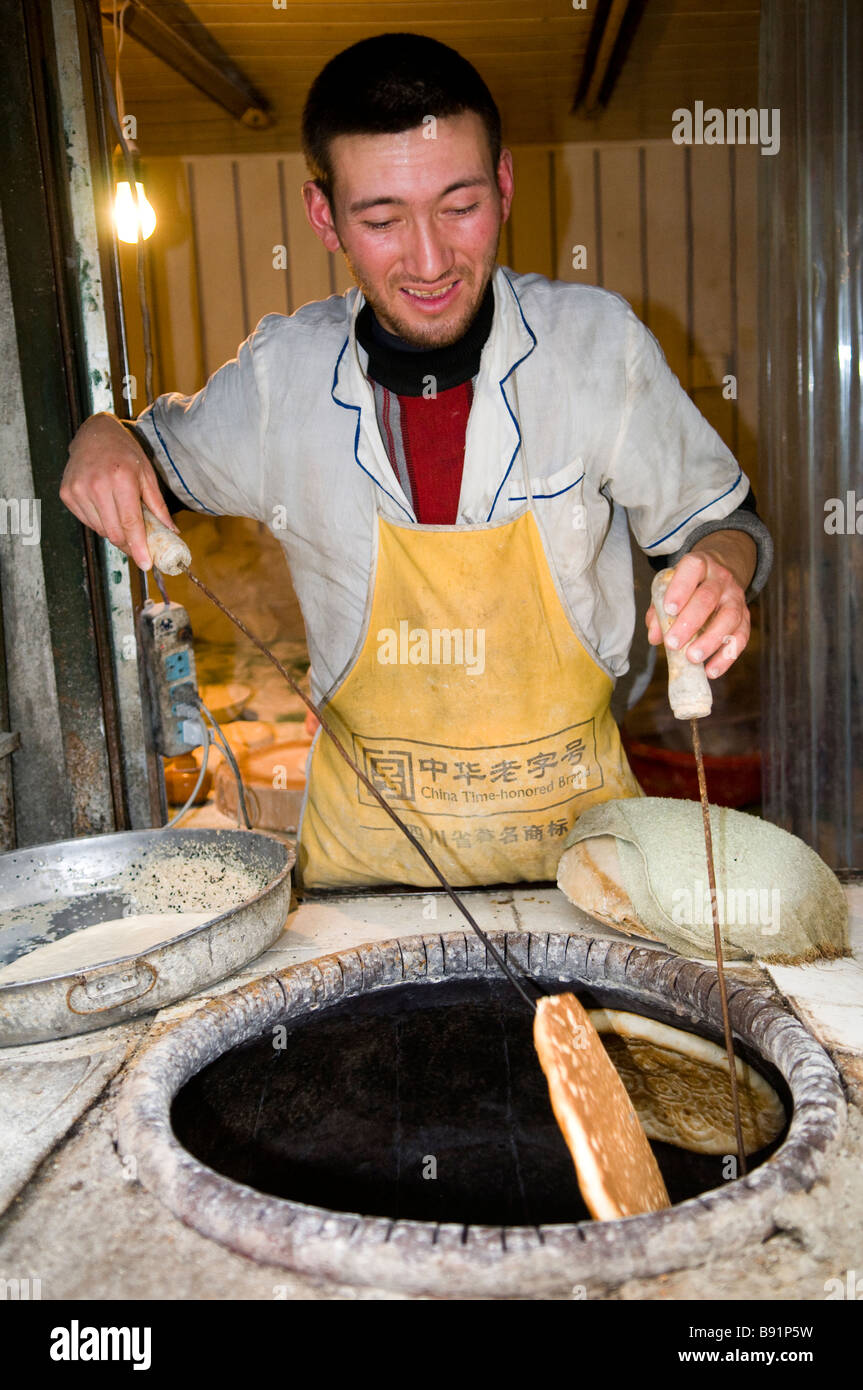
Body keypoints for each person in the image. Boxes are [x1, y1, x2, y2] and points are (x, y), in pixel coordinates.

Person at [61, 32, 771, 892]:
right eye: (383, 219)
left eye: (459, 205)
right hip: (362, 874)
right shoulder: (281, 381)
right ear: (324, 217)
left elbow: (719, 523)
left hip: (581, 865)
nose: (430, 260)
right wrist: (101, 432)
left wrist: (721, 570)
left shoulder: (597, 347)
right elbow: (148, 461)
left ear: (504, 184)